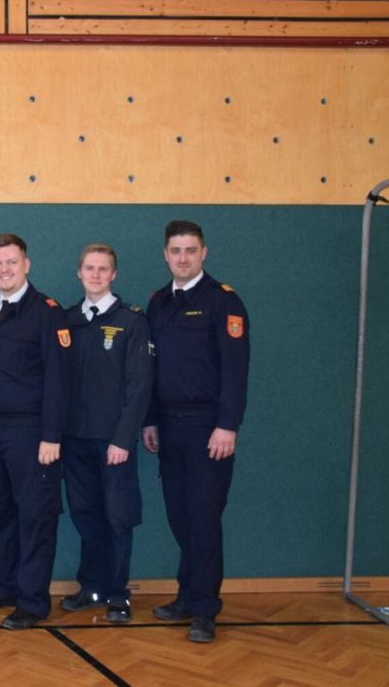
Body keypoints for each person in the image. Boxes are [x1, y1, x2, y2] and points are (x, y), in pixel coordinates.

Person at [143, 220, 250, 644]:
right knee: (179, 516)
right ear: (166, 254)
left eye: (190, 250)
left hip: (209, 428)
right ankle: (187, 595)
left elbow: (235, 371)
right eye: (175, 250)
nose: (182, 257)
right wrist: (150, 419)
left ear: (203, 253)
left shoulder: (224, 302)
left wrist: (228, 425)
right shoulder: (158, 303)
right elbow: (151, 368)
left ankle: (205, 609)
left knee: (204, 520)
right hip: (168, 426)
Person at [0, 233, 72, 630]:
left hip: (31, 433)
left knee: (36, 517)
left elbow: (59, 380)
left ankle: (32, 600)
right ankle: (7, 584)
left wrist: (52, 436)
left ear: (27, 264)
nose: (4, 270)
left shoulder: (46, 312)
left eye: (11, 262)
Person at [60, 243, 152, 623]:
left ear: (114, 275)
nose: (95, 275)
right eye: (89, 268)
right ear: (79, 273)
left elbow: (140, 386)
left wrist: (122, 438)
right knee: (85, 514)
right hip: (74, 439)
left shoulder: (131, 320)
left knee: (118, 517)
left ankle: (117, 593)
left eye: (103, 269)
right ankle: (91, 586)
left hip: (113, 441)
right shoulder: (67, 320)